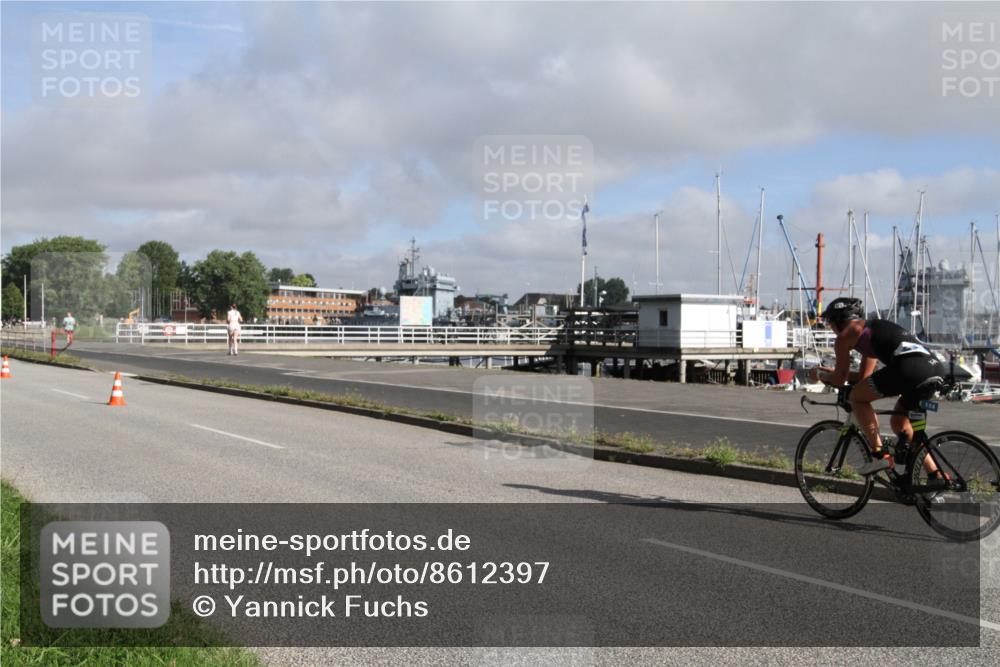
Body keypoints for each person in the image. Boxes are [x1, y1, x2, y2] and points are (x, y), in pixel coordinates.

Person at [814, 297, 946, 476]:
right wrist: (837, 373)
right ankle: (936, 474)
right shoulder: (872, 330)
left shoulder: (846, 335)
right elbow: (863, 379)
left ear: (838, 321)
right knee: (899, 422)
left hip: (909, 369)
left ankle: (880, 455)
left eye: (830, 322)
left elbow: (839, 381)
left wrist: (820, 375)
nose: (830, 327)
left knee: (856, 398)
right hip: (934, 368)